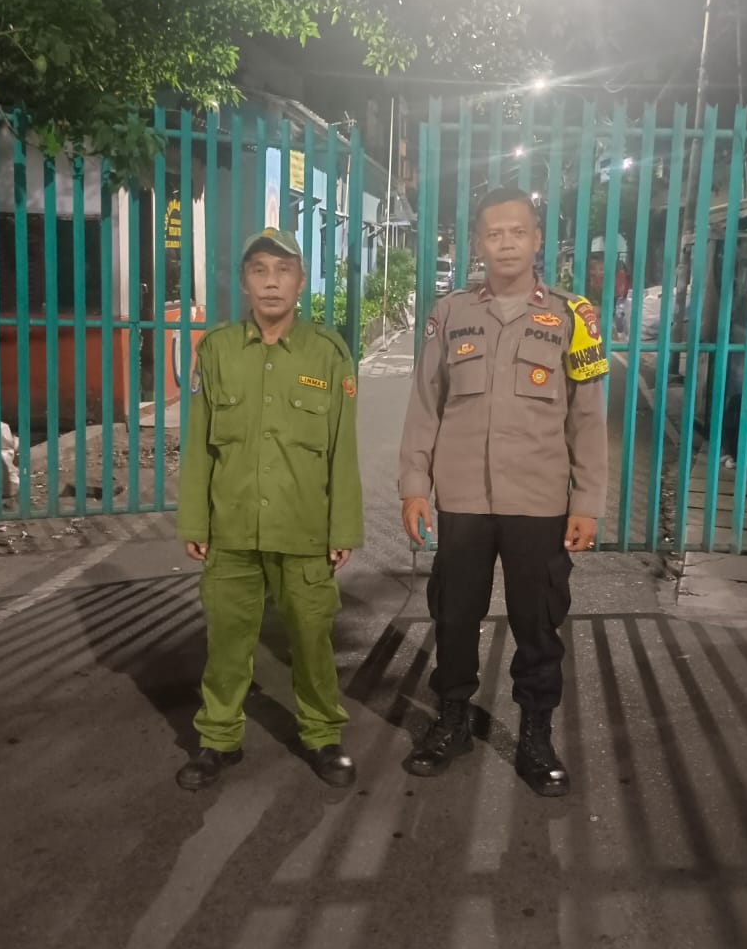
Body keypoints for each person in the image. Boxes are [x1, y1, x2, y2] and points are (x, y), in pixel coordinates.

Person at [397, 188, 608, 796]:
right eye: (495, 234)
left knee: (538, 624)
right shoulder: (450, 313)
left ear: (538, 240)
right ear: (479, 243)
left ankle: (537, 734)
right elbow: (425, 404)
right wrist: (414, 486)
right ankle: (453, 720)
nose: (507, 243)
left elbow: (587, 416)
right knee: (455, 616)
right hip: (462, 498)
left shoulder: (573, 317)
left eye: (518, 232)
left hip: (538, 501)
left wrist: (587, 502)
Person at [175, 227, 363, 791]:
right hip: (231, 527)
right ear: (244, 283)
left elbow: (343, 450)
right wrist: (194, 520)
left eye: (283, 271)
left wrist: (342, 528)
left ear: (301, 283)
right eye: (259, 270)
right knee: (227, 641)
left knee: (311, 639)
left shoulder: (328, 354)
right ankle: (218, 739)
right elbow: (199, 444)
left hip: (303, 527)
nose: (272, 282)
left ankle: (323, 735)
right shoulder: (216, 351)